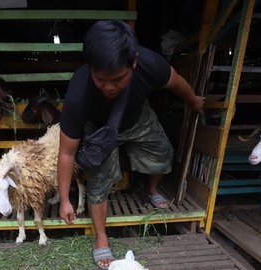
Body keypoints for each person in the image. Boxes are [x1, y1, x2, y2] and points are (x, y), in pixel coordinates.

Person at [57, 20, 205, 269]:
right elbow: (66, 152)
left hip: (138, 118)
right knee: (99, 182)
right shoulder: (78, 93)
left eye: (118, 79)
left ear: (134, 63)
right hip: (98, 130)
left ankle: (152, 189)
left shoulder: (150, 64)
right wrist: (64, 199)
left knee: (164, 153)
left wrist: (192, 101)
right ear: (90, 68)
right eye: (100, 79)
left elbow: (176, 82)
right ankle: (101, 236)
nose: (109, 87)